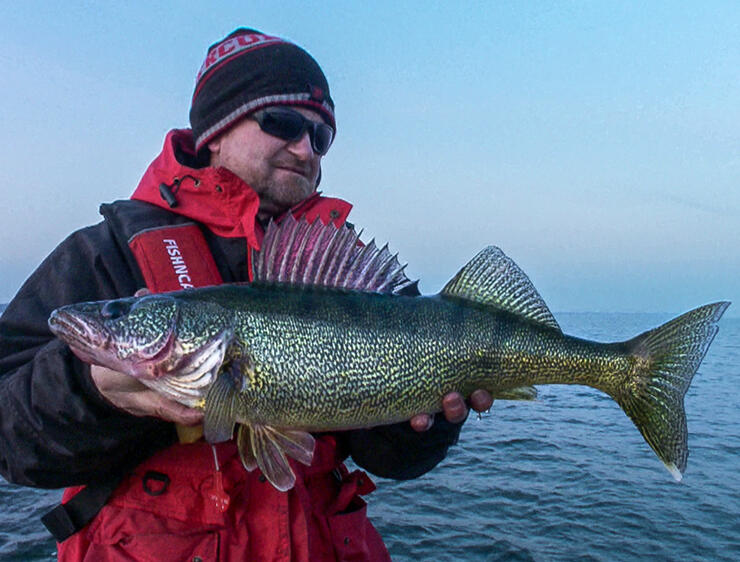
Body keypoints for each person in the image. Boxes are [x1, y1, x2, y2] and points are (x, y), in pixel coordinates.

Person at [0, 28, 493, 561]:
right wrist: (91, 391)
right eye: (281, 122)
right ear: (215, 130)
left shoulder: (344, 268)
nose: (305, 148)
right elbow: (8, 438)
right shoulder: (107, 252)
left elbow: (387, 456)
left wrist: (425, 427)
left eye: (321, 137)